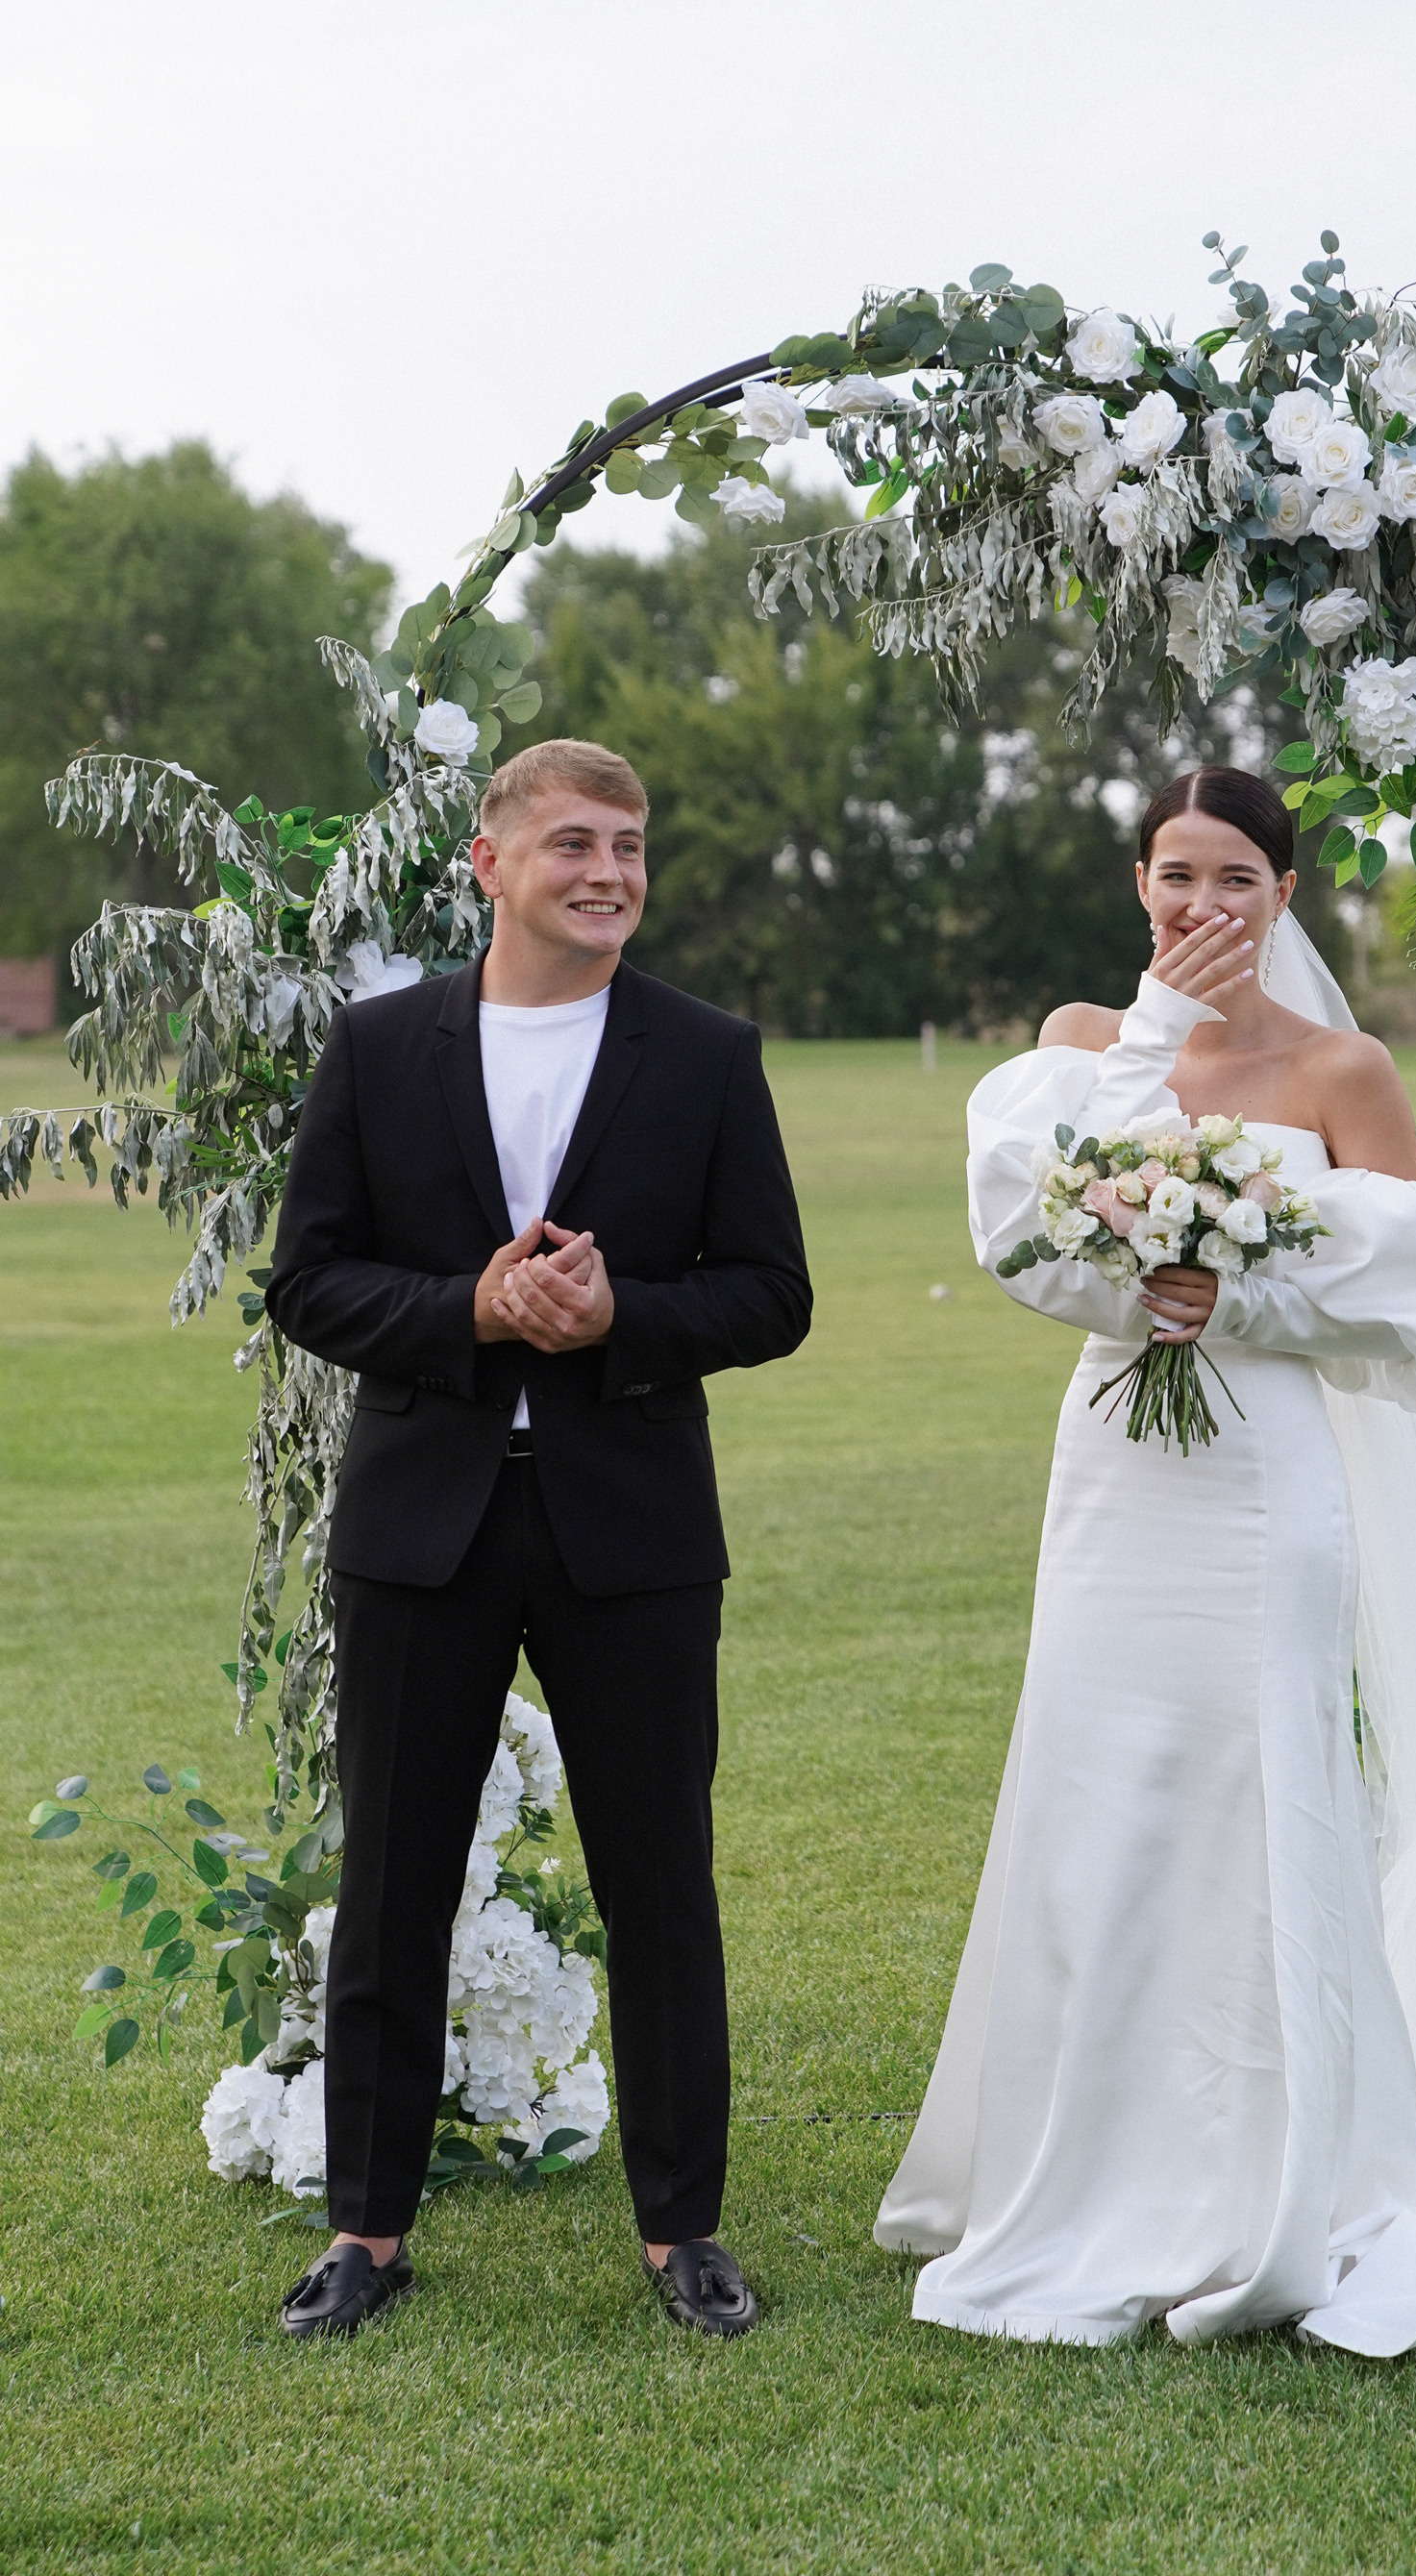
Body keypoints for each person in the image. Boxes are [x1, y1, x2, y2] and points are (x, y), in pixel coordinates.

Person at [876, 766, 1416, 2386]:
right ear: (1140, 884)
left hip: (1266, 1482)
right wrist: (1142, 1064)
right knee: (1102, 1783)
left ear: (1284, 894)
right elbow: (1025, 1231)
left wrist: (1246, 1299)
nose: (1204, 905)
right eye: (1176, 874)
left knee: (1260, 1788)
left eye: (1236, 880)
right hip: (1119, 1469)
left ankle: (1288, 2166)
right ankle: (1087, 2162)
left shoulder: (1340, 1065)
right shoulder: (1078, 1046)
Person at [265, 738, 811, 2340]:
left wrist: (619, 1317)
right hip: (419, 1524)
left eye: (632, 845)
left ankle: (683, 2233)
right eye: (575, 842)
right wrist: (472, 1308)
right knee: (392, 1885)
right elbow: (308, 1281)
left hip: (631, 1530)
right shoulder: (378, 1049)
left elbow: (771, 1293)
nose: (612, 871)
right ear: (490, 865)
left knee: (663, 1885)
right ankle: (365, 2232)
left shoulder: (708, 1054)